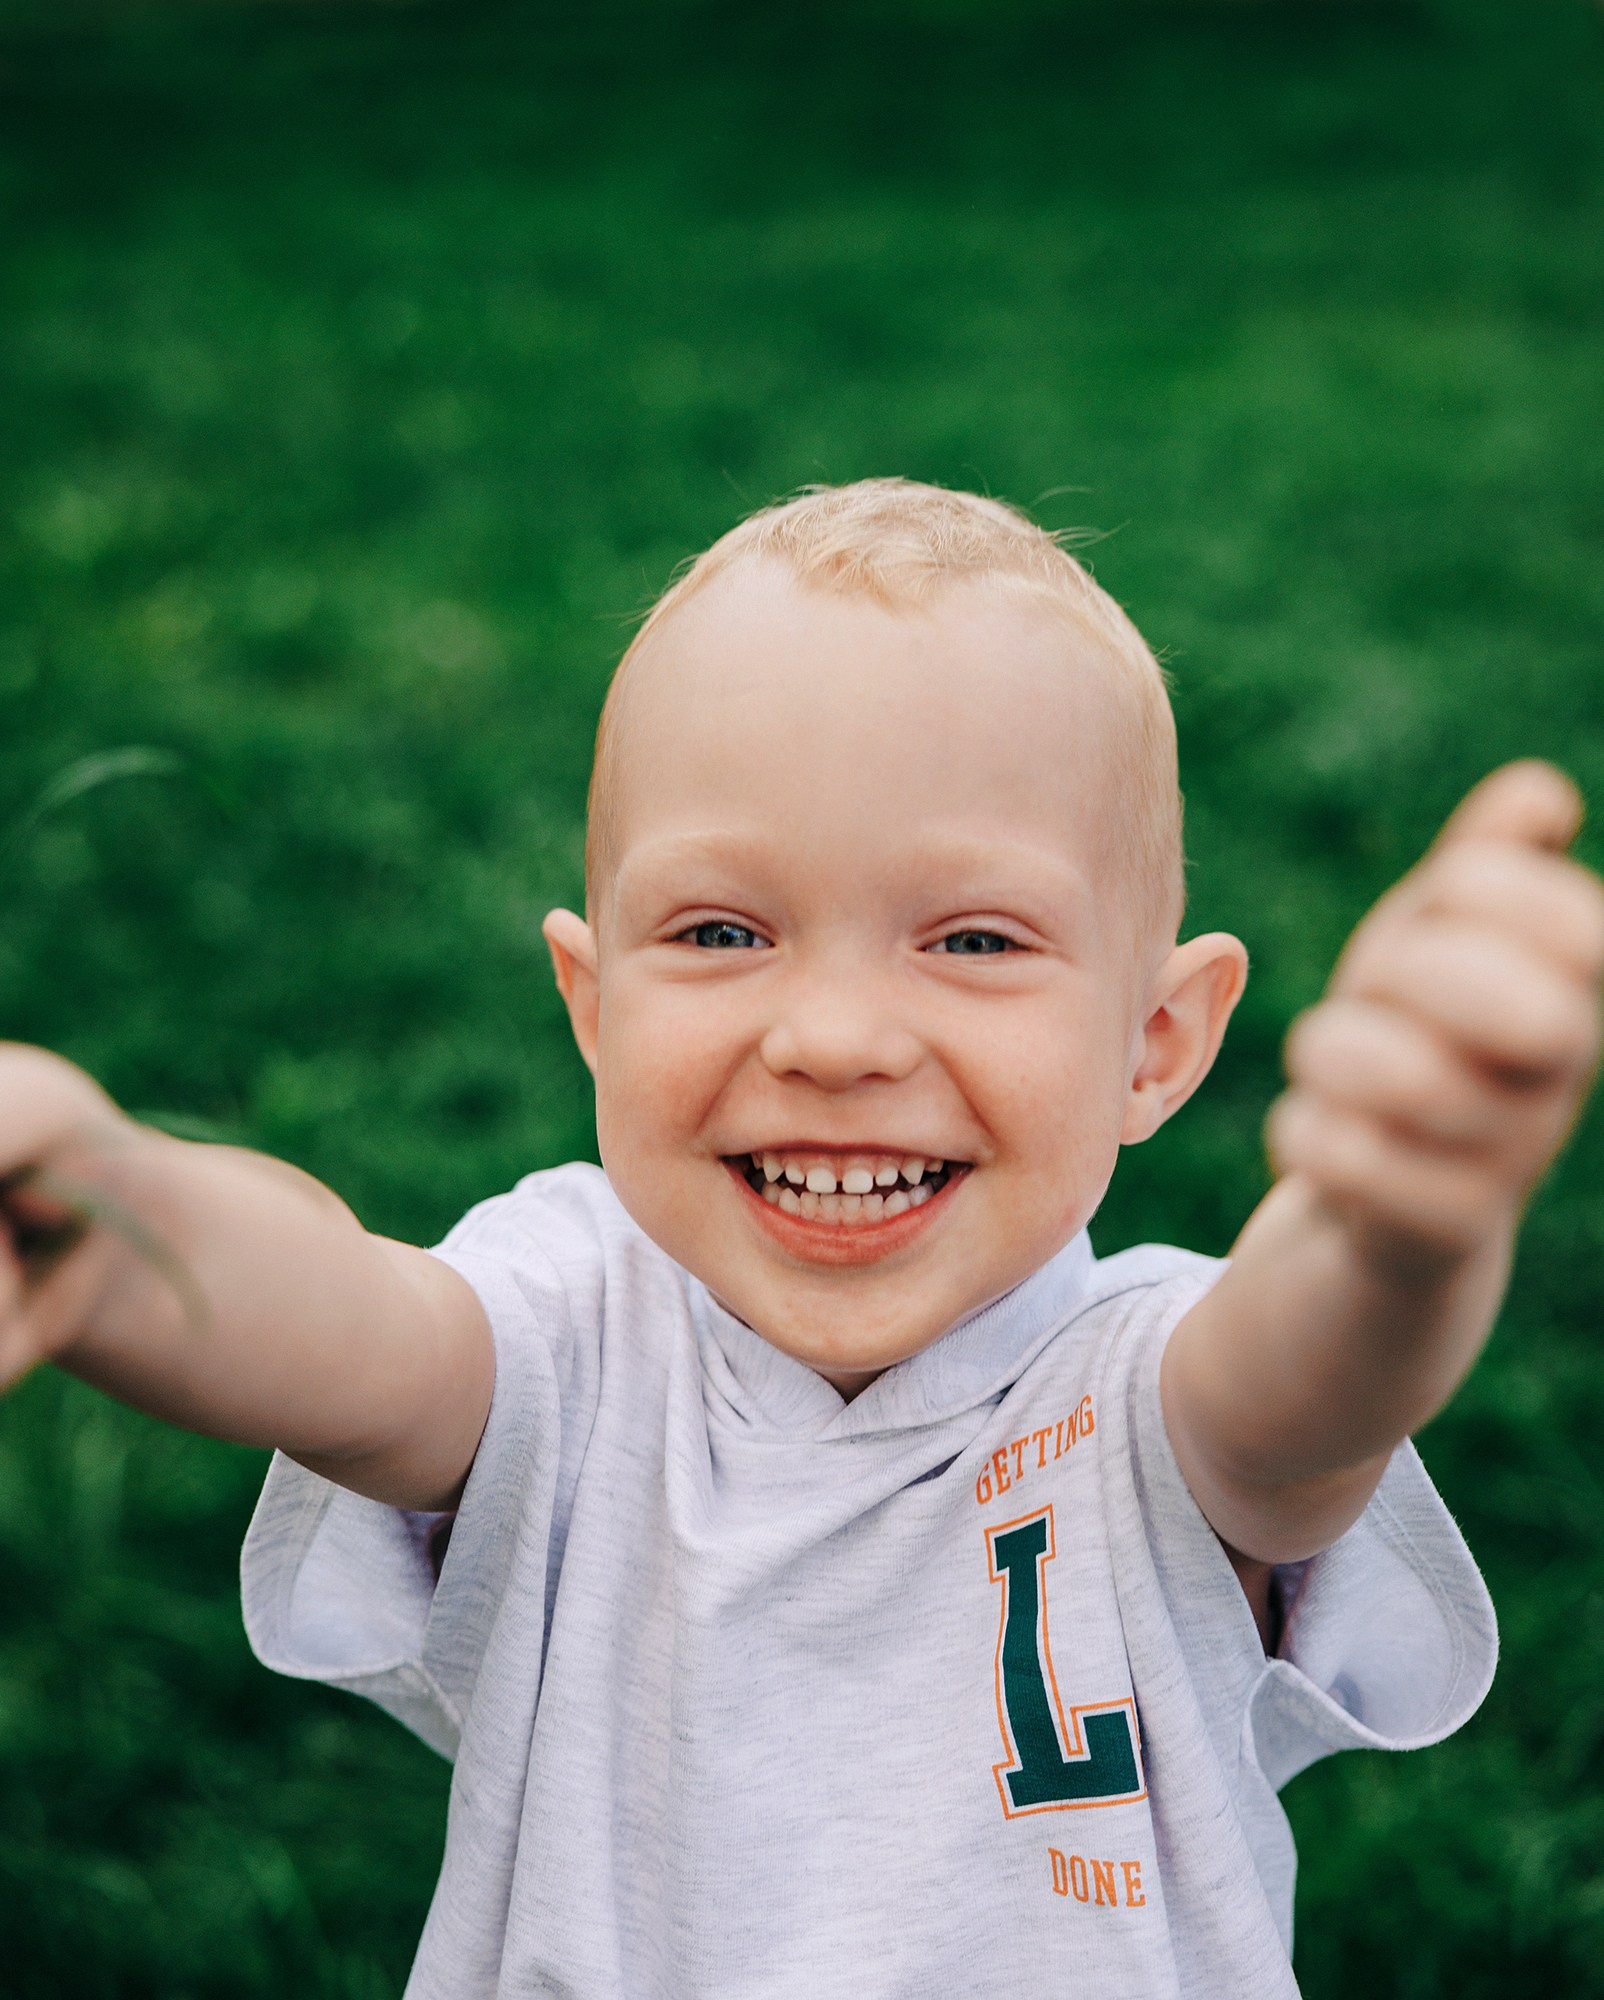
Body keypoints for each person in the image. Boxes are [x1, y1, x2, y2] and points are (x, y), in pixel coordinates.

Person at [3, 479, 1600, 1998]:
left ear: (1157, 1042)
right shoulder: (567, 1332)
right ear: (592, 1003)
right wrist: (106, 1213)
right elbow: (340, 1320)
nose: (835, 1036)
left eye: (974, 938)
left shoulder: (1150, 1392)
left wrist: (1398, 1230)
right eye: (720, 933)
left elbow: (1313, 1389)